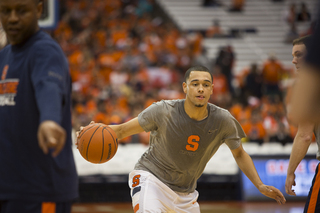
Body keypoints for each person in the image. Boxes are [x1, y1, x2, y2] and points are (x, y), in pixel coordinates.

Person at [77, 65, 286, 212]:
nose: (201, 88)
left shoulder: (223, 119)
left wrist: (259, 185)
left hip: (186, 194)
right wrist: (91, 131)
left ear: (213, 89)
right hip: (152, 179)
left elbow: (239, 153)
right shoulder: (163, 110)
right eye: (195, 84)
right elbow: (121, 131)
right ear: (185, 87)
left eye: (206, 84)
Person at [0, 0, 78, 212]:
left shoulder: (45, 51)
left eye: (21, 10)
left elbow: (49, 86)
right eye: (6, 11)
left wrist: (49, 120)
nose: (13, 17)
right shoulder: (4, 56)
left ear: (39, 9)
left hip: (40, 189)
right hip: (9, 187)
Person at [285, 35, 320, 212]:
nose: (294, 60)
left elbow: (305, 135)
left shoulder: (313, 86)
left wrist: (290, 171)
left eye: (299, 55)